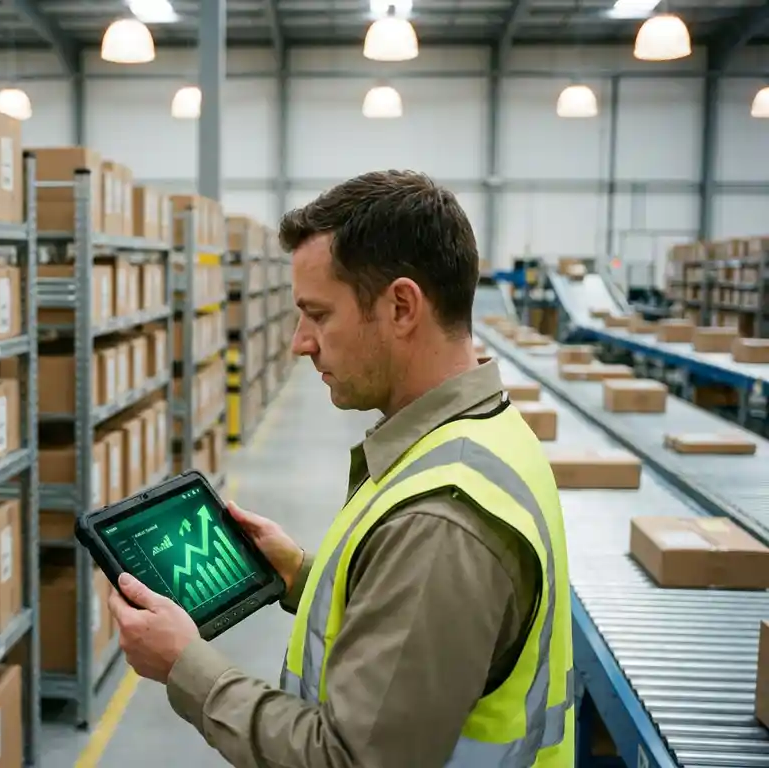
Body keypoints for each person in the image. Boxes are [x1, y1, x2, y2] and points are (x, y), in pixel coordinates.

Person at [108, 170, 575, 767]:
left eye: (318, 314)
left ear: (401, 306)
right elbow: (416, 634)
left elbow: (348, 759)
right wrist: (301, 576)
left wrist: (186, 668)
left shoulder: (442, 522)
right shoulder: (487, 432)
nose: (300, 342)